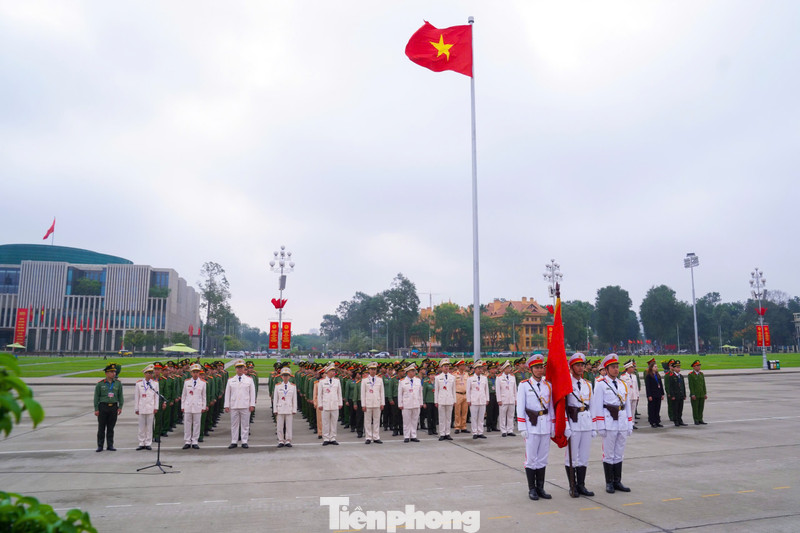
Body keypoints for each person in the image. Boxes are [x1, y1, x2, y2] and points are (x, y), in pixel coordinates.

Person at [590, 354, 633, 494]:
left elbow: (626, 405)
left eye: (617, 367)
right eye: (613, 367)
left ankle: (617, 481)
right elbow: (597, 406)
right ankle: (609, 482)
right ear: (606, 369)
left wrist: (629, 422)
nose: (616, 369)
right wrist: (600, 425)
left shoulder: (622, 384)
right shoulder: (601, 385)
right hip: (608, 423)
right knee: (608, 454)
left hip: (621, 421)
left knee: (619, 453)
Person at [516, 354, 553, 501]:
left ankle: (540, 488)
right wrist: (522, 426)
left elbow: (551, 407)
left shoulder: (548, 385)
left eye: (541, 367)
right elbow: (520, 407)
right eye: (536, 368)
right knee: (531, 459)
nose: (539, 370)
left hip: (545, 425)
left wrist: (553, 424)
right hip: (531, 426)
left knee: (543, 459)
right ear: (531, 369)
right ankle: (532, 489)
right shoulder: (524, 385)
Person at [564, 353, 594, 497]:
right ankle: (573, 486)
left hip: (586, 422)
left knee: (584, 456)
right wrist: (565, 425)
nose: (581, 367)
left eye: (582, 365)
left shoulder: (587, 384)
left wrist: (593, 425)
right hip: (573, 422)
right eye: (577, 365)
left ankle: (581, 485)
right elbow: (562, 406)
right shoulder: (566, 383)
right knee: (571, 456)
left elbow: (592, 405)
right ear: (571, 367)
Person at [224, 359, 257, 449]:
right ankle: (234, 441)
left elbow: (252, 393)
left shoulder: (249, 380)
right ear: (235, 369)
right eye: (238, 368)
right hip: (234, 405)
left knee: (245, 424)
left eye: (241, 367)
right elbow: (227, 393)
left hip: (245, 404)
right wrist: (226, 405)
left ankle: (244, 441)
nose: (239, 369)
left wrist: (252, 404)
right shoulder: (231, 380)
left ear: (244, 368)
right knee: (234, 424)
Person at [94, 363, 123, 452]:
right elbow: (96, 397)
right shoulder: (100, 384)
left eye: (114, 372)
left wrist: (120, 407)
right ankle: (100, 445)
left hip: (113, 407)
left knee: (111, 428)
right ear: (106, 373)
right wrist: (96, 409)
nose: (113, 373)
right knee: (101, 428)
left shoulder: (118, 384)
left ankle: (110, 445)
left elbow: (120, 396)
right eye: (111, 372)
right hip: (103, 407)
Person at [181, 363, 208, 449]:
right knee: (187, 424)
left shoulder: (203, 383)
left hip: (197, 406)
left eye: (197, 372)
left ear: (199, 373)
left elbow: (204, 396)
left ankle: (195, 441)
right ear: (191, 373)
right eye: (194, 372)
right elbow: (184, 395)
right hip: (188, 405)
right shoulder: (187, 382)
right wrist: (183, 406)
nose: (195, 373)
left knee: (197, 424)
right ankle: (187, 441)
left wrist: (203, 406)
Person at [134, 364, 161, 450]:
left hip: (150, 407)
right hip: (142, 407)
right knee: (141, 426)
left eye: (151, 373)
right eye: (148, 373)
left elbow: (156, 397)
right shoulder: (139, 384)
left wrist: (156, 407)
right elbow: (137, 397)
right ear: (144, 374)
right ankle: (141, 442)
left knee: (149, 427)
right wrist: (136, 408)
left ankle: (148, 442)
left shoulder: (155, 384)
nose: (150, 374)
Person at [318, 363, 343, 445]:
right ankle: (326, 438)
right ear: (327, 372)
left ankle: (332, 438)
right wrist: (320, 404)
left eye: (334, 371)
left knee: (334, 422)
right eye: (331, 371)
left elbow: (339, 393)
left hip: (335, 404)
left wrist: (340, 403)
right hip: (325, 404)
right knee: (325, 422)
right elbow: (320, 394)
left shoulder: (337, 381)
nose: (333, 372)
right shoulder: (322, 382)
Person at [398, 363, 423, 443]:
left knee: (415, 420)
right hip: (406, 404)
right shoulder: (402, 381)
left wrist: (421, 402)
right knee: (406, 421)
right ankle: (406, 436)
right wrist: (400, 404)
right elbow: (400, 394)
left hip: (416, 403)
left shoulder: (418, 380)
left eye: (414, 371)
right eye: (412, 371)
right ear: (408, 372)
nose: (413, 372)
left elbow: (420, 393)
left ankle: (413, 435)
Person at [361, 362, 385, 444]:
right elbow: (362, 393)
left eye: (374, 369)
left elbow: (382, 392)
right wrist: (363, 405)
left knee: (377, 420)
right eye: (371, 369)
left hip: (377, 402)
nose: (373, 371)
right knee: (367, 421)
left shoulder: (380, 379)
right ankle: (368, 437)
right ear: (368, 370)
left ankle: (376, 437)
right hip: (368, 403)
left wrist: (382, 403)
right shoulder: (364, 380)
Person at [273, 366, 297, 447]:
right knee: (279, 426)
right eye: (284, 375)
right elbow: (275, 399)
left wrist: (294, 409)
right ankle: (280, 440)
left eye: (287, 375)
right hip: (280, 408)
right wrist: (275, 409)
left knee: (289, 425)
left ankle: (288, 440)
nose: (285, 377)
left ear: (289, 376)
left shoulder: (293, 386)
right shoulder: (278, 386)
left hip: (289, 408)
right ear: (281, 376)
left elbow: (294, 399)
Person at [434, 359, 456, 441]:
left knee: (448, 418)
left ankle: (448, 433)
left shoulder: (452, 377)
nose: (446, 368)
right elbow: (436, 390)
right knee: (442, 418)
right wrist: (436, 401)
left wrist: (454, 400)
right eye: (445, 366)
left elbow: (453, 390)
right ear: (441, 368)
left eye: (447, 366)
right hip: (441, 399)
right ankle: (442, 433)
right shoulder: (438, 377)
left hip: (450, 399)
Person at [466, 360, 489, 439]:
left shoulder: (484, 378)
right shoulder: (470, 378)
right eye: (478, 368)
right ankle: (474, 432)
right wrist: (468, 400)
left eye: (481, 368)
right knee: (474, 417)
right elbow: (468, 390)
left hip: (482, 399)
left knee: (481, 417)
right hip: (474, 400)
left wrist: (487, 399)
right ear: (475, 369)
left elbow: (486, 389)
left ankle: (480, 432)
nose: (480, 370)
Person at [496, 360, 517, 437]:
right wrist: (499, 400)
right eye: (508, 367)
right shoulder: (499, 377)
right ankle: (503, 430)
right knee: (502, 416)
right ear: (504, 369)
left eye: (510, 367)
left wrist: (516, 399)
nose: (510, 369)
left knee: (511, 415)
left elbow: (515, 389)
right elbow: (498, 390)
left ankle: (510, 430)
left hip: (511, 398)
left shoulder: (512, 377)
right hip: (503, 399)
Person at [644, 358, 664, 428]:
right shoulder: (649, 376)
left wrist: (662, 393)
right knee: (652, 408)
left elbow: (661, 385)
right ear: (651, 368)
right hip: (652, 394)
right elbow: (648, 387)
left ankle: (657, 421)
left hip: (658, 394)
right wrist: (649, 395)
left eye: (656, 367)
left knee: (657, 408)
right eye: (655, 367)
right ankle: (652, 422)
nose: (656, 368)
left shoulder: (657, 375)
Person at [620, 361, 640, 430]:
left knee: (633, 411)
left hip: (634, 396)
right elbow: (622, 388)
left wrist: (637, 395)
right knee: (627, 411)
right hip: (627, 397)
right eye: (631, 367)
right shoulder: (623, 377)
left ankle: (632, 423)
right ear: (627, 368)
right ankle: (626, 423)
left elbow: (636, 387)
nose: (633, 368)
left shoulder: (634, 376)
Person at [667, 360, 688, 426]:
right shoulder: (672, 376)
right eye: (677, 367)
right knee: (675, 409)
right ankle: (676, 420)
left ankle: (680, 420)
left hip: (680, 395)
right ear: (674, 368)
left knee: (680, 409)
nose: (679, 369)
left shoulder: (681, 376)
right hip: (675, 396)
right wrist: (672, 395)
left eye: (679, 367)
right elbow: (670, 387)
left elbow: (683, 386)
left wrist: (684, 394)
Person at [688, 360, 707, 425]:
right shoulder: (691, 375)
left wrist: (705, 393)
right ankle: (696, 419)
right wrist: (692, 394)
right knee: (695, 408)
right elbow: (691, 385)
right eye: (697, 366)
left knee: (701, 407)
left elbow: (703, 384)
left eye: (699, 365)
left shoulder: (701, 374)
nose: (699, 367)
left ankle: (700, 419)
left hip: (701, 394)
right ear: (694, 367)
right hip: (695, 394)